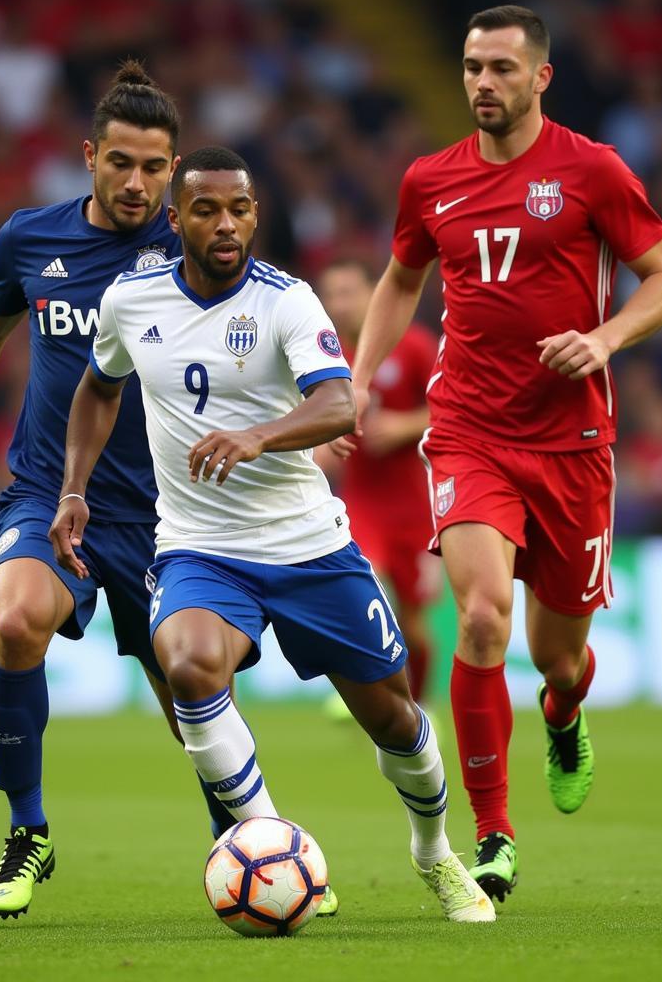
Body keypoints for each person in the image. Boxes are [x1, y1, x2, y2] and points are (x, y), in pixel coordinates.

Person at [0, 62, 278, 922]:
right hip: (53, 496)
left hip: (172, 518)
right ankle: (28, 831)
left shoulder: (196, 248)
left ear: (174, 176)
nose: (136, 182)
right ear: (89, 156)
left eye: (154, 168)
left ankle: (247, 844)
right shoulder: (28, 240)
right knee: (17, 619)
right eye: (120, 162)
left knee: (192, 695)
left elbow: (252, 345)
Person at [49, 146, 496, 924]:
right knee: (186, 663)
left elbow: (336, 406)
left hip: (308, 546)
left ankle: (435, 853)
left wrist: (258, 436)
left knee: (393, 718)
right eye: (208, 210)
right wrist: (74, 487)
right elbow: (97, 388)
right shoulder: (131, 301)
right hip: (198, 546)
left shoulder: (286, 301)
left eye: (241, 209)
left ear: (256, 214)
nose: (227, 225)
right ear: (176, 218)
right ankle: (269, 843)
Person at [342, 6, 662, 903]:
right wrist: (358, 374)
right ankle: (493, 835)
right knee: (483, 617)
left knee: (557, 658)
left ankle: (565, 716)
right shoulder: (430, 179)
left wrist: (605, 340)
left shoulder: (592, 171)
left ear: (540, 78)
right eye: (469, 67)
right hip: (466, 430)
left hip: (573, 444)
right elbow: (401, 279)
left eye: (500, 68)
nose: (481, 83)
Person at [315, 258, 441, 707]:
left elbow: (453, 409)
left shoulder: (415, 346)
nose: (339, 305)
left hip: (413, 502)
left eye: (349, 292)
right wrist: (320, 448)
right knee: (366, 584)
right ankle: (363, 685)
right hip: (360, 501)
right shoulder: (325, 355)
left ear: (373, 293)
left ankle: (417, 707)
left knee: (414, 621)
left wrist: (404, 426)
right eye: (331, 295)